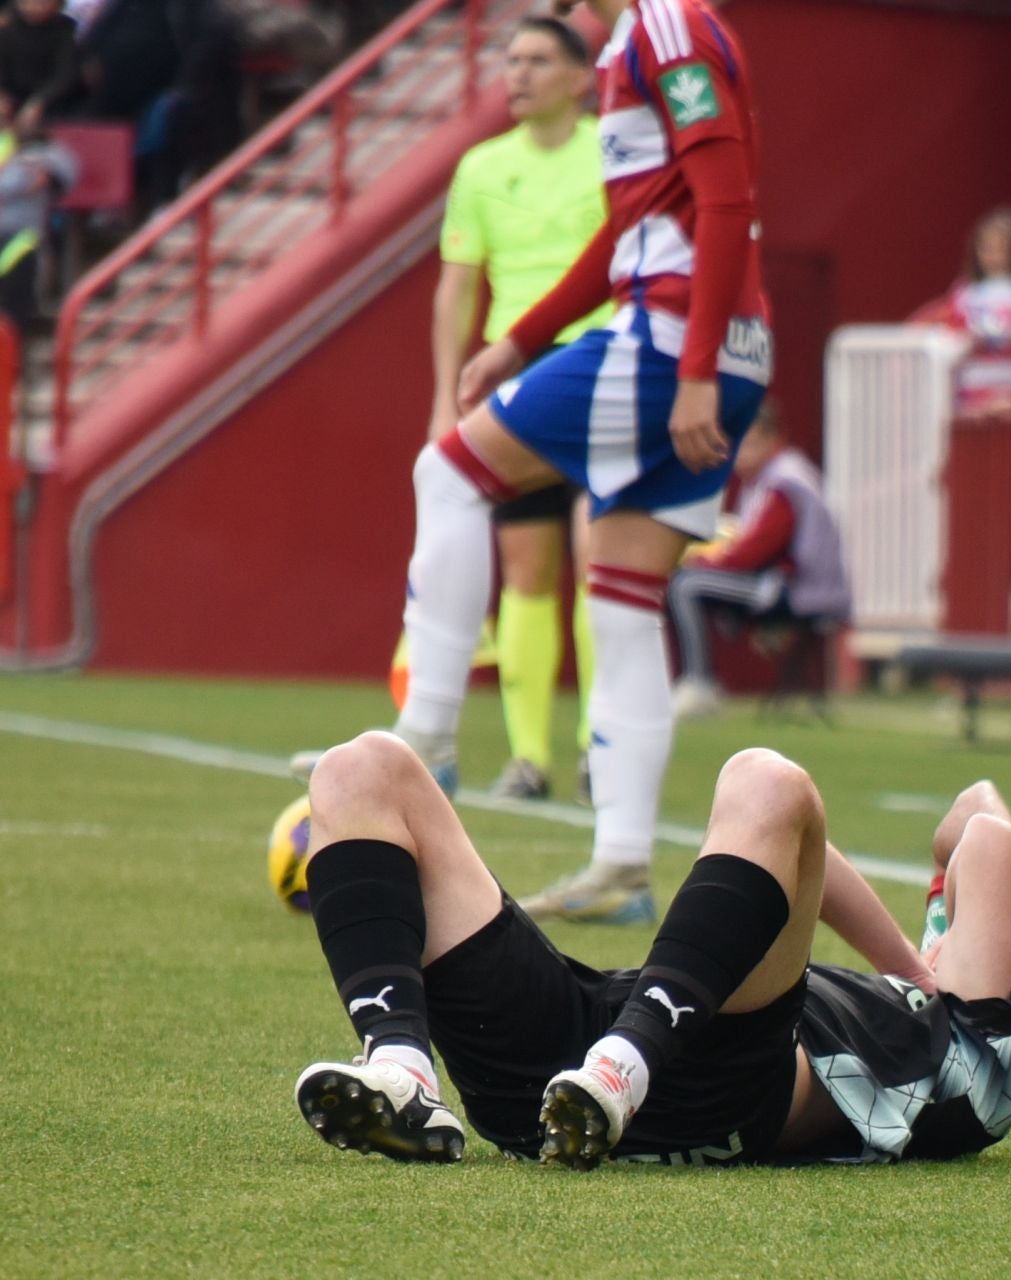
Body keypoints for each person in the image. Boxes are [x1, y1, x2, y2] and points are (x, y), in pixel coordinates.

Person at [384, 0, 773, 926]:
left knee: (449, 474)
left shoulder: (667, 26)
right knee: (624, 598)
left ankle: (426, 739)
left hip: (673, 338)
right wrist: (521, 339)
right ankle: (624, 865)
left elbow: (728, 200)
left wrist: (690, 372)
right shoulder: (636, 44)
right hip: (718, 344)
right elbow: (630, 231)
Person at [291, 738, 1011, 1166]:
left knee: (771, 778)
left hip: (712, 1085)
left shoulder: (983, 1060)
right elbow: (820, 849)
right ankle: (401, 1066)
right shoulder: (933, 1007)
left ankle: (626, 1064)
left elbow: (987, 830)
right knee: (360, 768)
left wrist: (926, 960)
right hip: (577, 1076)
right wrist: (912, 956)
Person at [433, 17, 612, 804]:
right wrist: (446, 395)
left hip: (606, 365)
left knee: (600, 561)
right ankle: (530, 757)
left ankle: (596, 749)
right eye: (510, 60)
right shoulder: (480, 168)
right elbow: (457, 287)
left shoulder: (614, 150)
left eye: (539, 59)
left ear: (581, 77)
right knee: (528, 569)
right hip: (522, 377)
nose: (519, 73)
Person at [666, 402, 851, 718]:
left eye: (748, 443)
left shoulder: (783, 482)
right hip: (794, 584)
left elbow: (752, 552)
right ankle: (696, 681)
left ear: (771, 439)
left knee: (686, 584)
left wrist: (700, 561)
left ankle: (699, 684)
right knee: (688, 582)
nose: (739, 454)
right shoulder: (777, 476)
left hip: (798, 590)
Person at [910, 207, 1011, 417]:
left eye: (1005, 249)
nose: (996, 257)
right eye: (988, 249)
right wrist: (966, 339)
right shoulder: (965, 295)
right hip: (974, 388)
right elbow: (944, 329)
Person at [0, 115, 72, 330]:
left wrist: (24, 174)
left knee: (15, 306)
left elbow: (52, 175)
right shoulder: (8, 148)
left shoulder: (49, 153)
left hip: (21, 240)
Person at [0, 0, 80, 135]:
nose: (34, 7)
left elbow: (65, 75)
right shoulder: (7, 28)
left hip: (53, 106)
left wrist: (39, 102)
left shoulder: (63, 31)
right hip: (11, 102)